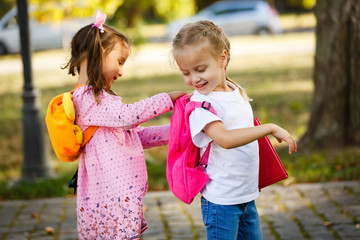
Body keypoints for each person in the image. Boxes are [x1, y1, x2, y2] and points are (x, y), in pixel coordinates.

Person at [63, 10, 186, 239]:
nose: (121, 71)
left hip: (119, 195)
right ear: (96, 54)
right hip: (109, 197)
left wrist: (180, 131)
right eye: (119, 61)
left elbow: (137, 135)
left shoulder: (103, 99)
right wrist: (167, 99)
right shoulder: (87, 99)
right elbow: (128, 116)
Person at [171, 20, 297, 240]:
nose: (194, 79)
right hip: (222, 202)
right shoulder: (202, 105)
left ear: (222, 58)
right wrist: (269, 127)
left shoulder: (234, 88)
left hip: (245, 195)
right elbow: (225, 139)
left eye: (200, 69)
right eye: (186, 73)